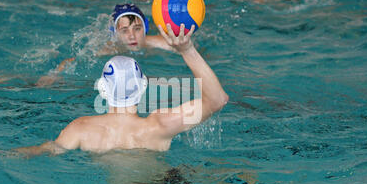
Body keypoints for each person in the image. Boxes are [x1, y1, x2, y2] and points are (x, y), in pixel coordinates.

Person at [12, 23, 228, 155]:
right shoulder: (160, 126)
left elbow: (46, 151)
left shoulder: (81, 128)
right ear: (143, 87)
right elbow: (218, 100)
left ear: (102, 90)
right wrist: (187, 50)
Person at [36, 3, 174, 87]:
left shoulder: (157, 42)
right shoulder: (109, 50)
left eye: (137, 29)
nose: (132, 36)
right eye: (124, 31)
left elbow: (184, 49)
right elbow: (73, 61)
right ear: (114, 33)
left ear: (146, 28)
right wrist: (53, 74)